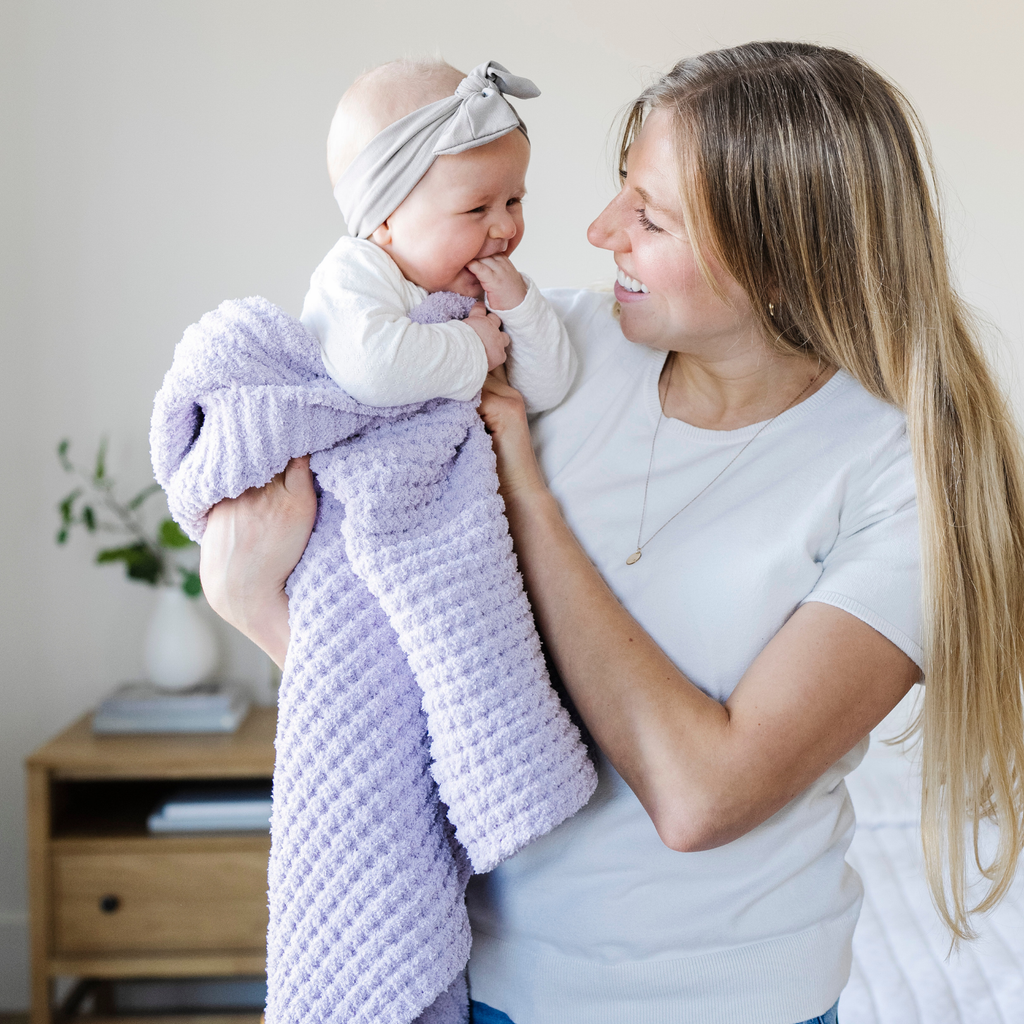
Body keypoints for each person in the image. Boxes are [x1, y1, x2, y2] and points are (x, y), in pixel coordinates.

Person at [200, 41, 1024, 1024]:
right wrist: (254, 604)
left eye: (649, 214)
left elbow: (703, 796)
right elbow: (425, 687)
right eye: (615, 192)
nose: (597, 231)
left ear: (777, 253)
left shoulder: (907, 478)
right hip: (484, 988)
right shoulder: (547, 349)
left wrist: (530, 497)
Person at [302, 58, 576, 413]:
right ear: (384, 219)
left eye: (513, 200)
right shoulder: (352, 274)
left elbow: (545, 393)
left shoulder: (488, 288)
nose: (507, 227)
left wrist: (520, 309)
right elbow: (372, 369)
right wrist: (475, 345)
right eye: (477, 209)